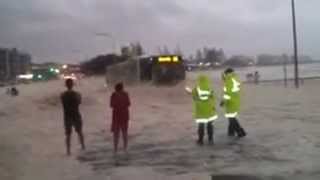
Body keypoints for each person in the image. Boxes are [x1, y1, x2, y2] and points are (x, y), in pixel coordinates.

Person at [61, 78, 85, 156]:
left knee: (68, 134)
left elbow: (63, 103)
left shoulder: (63, 95)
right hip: (76, 115)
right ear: (72, 85)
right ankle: (83, 147)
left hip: (67, 116)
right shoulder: (77, 94)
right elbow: (79, 102)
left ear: (66, 85)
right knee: (80, 132)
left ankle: (68, 151)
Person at [191, 75, 217, 145]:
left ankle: (200, 140)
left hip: (200, 109)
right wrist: (213, 106)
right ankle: (211, 139)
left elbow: (194, 97)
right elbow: (213, 98)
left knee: (201, 125)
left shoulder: (196, 89)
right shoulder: (210, 88)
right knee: (210, 125)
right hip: (209, 109)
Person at [220, 68, 246, 138]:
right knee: (231, 117)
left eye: (225, 74)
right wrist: (223, 76)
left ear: (227, 73)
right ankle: (231, 132)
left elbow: (228, 93)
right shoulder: (234, 79)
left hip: (230, 101)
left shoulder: (229, 81)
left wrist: (223, 101)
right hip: (235, 101)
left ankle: (240, 132)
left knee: (231, 118)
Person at [110, 83, 131, 155]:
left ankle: (115, 149)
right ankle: (125, 148)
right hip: (125, 116)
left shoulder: (114, 95)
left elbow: (111, 105)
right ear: (122, 88)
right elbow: (128, 104)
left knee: (116, 134)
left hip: (116, 116)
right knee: (124, 132)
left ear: (115, 89)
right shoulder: (125, 94)